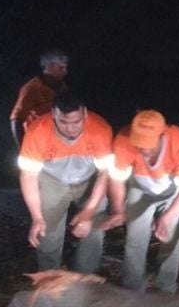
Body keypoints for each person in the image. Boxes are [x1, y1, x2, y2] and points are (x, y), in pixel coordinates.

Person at [101, 110, 179, 293]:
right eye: (140, 145)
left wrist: (166, 218)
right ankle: (131, 288)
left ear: (162, 135)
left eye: (149, 145)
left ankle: (166, 289)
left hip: (174, 193)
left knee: (171, 239)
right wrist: (117, 210)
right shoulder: (124, 140)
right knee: (135, 240)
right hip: (140, 189)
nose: (145, 150)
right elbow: (116, 179)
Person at [18, 90, 113, 273]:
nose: (71, 128)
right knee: (47, 231)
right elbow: (28, 175)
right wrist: (37, 217)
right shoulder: (37, 131)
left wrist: (89, 210)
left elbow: (105, 174)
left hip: (89, 179)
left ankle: (85, 276)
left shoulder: (100, 129)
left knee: (95, 224)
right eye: (63, 122)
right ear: (53, 114)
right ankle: (49, 278)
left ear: (85, 113)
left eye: (76, 122)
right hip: (52, 181)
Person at [9, 49, 69, 149]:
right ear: (49, 67)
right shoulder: (32, 88)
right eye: (61, 68)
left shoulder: (62, 87)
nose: (65, 72)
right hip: (38, 142)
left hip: (59, 141)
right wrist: (23, 149)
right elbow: (16, 119)